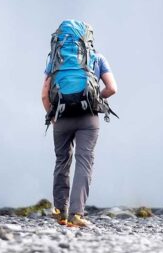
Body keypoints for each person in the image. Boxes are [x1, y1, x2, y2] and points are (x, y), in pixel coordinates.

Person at [42, 20, 117, 228]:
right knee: (84, 161)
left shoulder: (56, 59)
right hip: (88, 117)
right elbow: (112, 88)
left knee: (62, 161)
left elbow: (44, 93)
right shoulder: (97, 57)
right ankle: (77, 214)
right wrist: (96, 99)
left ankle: (60, 212)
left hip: (61, 116)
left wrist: (52, 114)